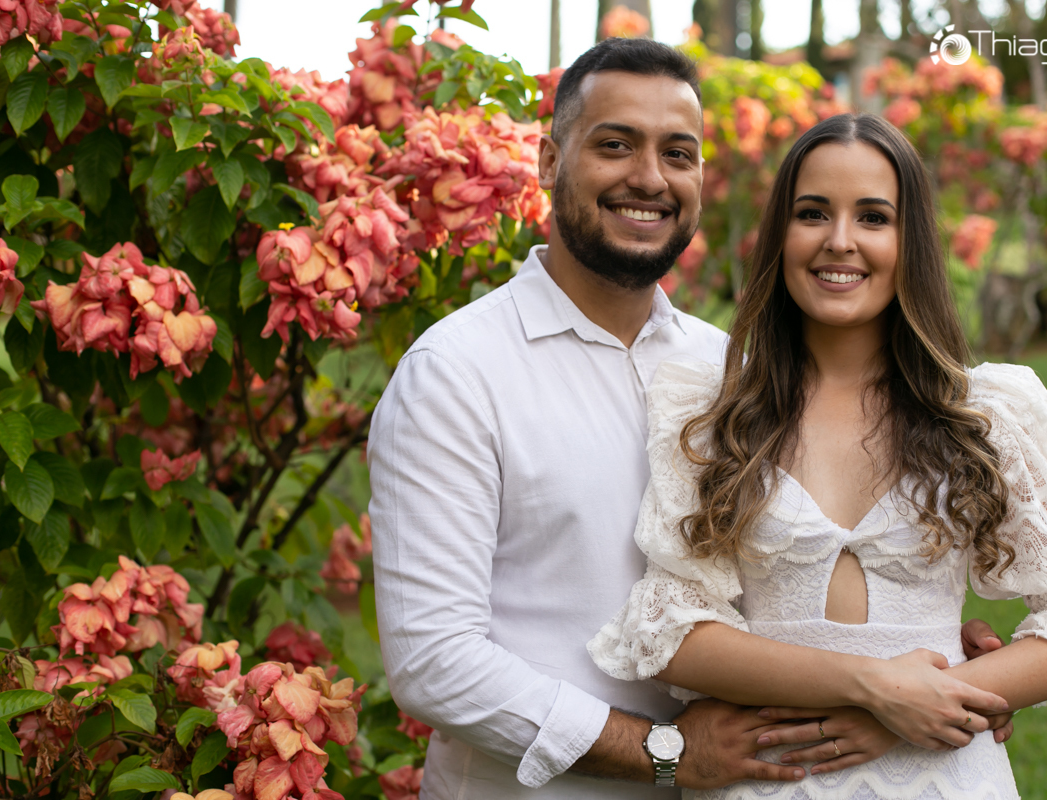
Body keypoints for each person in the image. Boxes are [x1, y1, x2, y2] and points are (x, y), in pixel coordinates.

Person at [370, 39, 1012, 800]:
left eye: (677, 153)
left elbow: (782, 574)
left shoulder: (731, 373)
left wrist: (925, 651)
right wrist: (663, 752)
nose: (649, 177)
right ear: (548, 161)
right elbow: (434, 662)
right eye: (615, 145)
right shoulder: (458, 372)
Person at [589, 112, 1047, 799]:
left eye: (873, 217)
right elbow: (670, 630)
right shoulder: (713, 413)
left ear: (912, 243)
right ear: (781, 235)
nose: (840, 241)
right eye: (812, 213)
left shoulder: (983, 415)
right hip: (767, 779)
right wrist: (874, 689)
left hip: (944, 774)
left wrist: (922, 706)